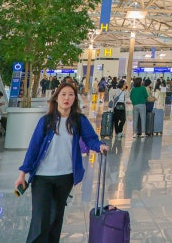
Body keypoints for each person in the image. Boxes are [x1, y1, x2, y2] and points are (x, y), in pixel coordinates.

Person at [15, 82, 108, 243]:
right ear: (56, 98)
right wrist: (22, 174)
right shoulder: (46, 121)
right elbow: (33, 148)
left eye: (71, 94)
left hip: (65, 177)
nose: (67, 98)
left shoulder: (79, 120)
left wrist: (100, 146)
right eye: (63, 94)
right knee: (40, 220)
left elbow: (91, 139)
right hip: (42, 177)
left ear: (75, 99)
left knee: (55, 219)